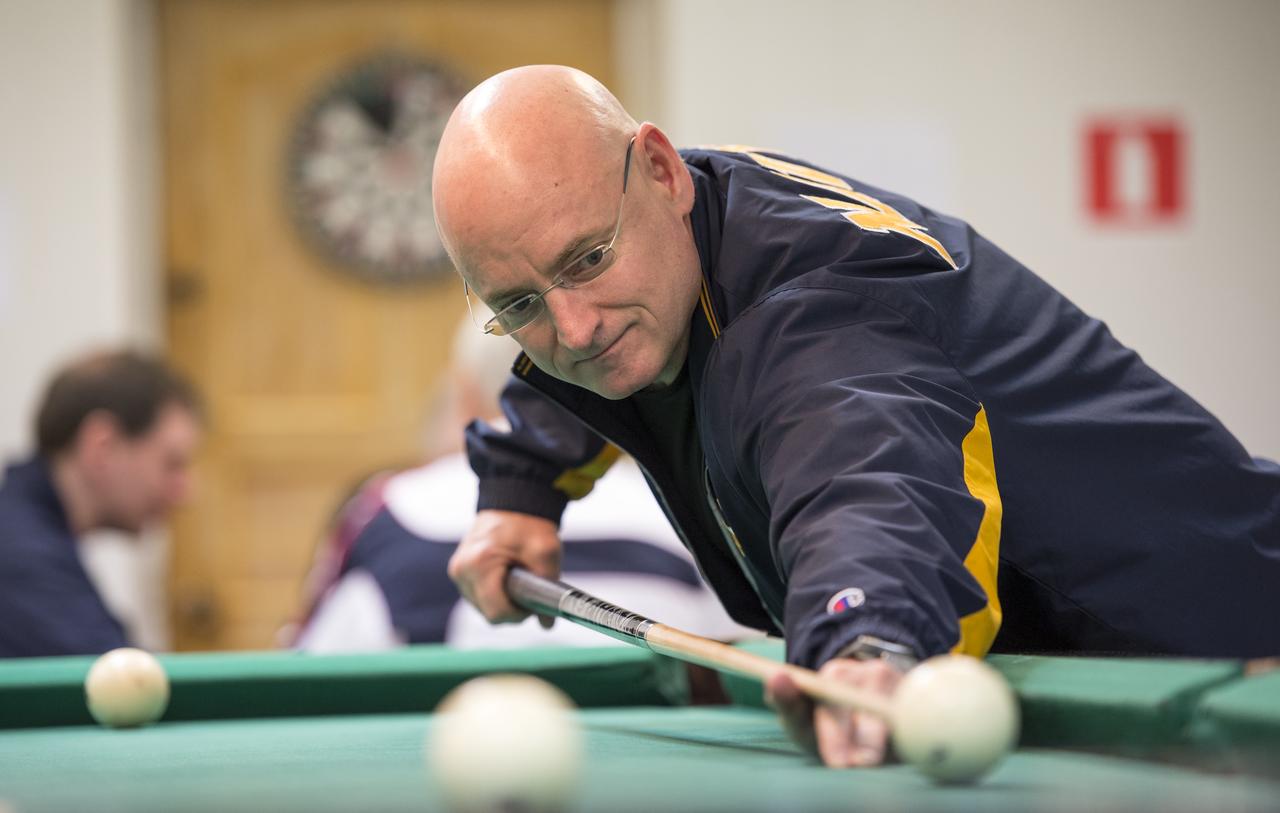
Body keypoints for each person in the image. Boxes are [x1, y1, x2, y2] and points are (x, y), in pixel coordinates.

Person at [430, 65, 1280, 768]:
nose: (572, 325)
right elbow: (585, 354)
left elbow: (867, 474)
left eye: (586, 259)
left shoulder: (813, 316)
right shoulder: (663, 238)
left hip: (1230, 673)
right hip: (1091, 697)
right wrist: (521, 485)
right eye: (518, 303)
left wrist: (864, 638)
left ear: (660, 171)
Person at [290, 309, 753, 653]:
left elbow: (317, 658)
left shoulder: (388, 509)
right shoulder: (680, 506)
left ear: (465, 391)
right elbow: (739, 648)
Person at [0, 349, 202, 658]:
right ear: (102, 446)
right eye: (171, 463)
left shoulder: (24, 530)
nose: (185, 491)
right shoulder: (21, 557)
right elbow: (131, 685)